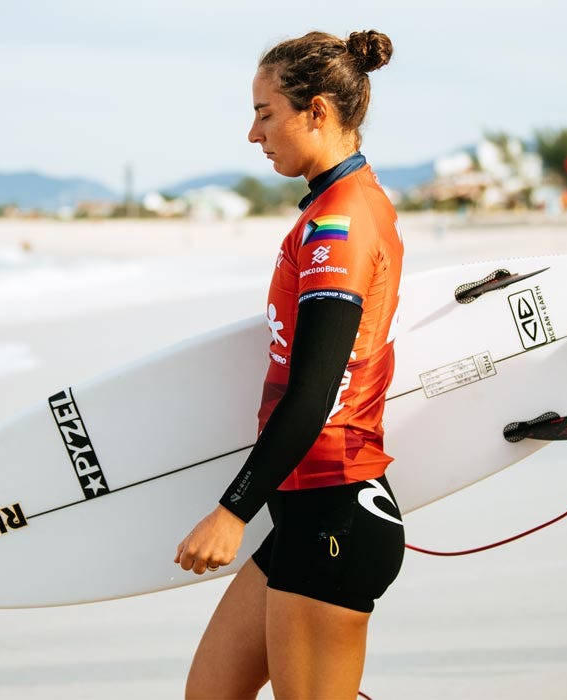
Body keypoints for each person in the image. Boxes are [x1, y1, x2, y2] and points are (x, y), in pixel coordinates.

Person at [173, 29, 404, 699]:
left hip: (336, 511)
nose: (254, 134)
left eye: (265, 113)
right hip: (306, 514)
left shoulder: (342, 223)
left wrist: (231, 512)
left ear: (319, 112)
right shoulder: (336, 208)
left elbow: (316, 391)